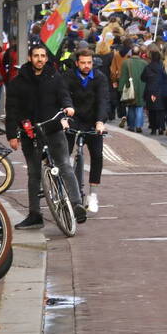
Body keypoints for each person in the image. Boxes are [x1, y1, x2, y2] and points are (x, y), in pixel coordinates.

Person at [6, 45, 86, 228]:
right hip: (30, 132)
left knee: (64, 165)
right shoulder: (18, 82)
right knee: (33, 174)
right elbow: (11, 109)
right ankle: (35, 215)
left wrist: (68, 107)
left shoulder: (55, 77)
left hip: (52, 128)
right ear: (30, 58)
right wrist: (12, 135)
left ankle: (76, 205)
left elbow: (64, 95)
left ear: (47, 58)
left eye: (43, 56)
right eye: (36, 56)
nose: (40, 59)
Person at [62, 48, 108, 214]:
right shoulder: (68, 77)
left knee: (97, 155)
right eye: (83, 63)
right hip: (73, 120)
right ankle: (64, 190)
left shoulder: (100, 78)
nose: (86, 66)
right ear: (77, 63)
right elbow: (63, 96)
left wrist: (100, 122)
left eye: (89, 63)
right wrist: (64, 117)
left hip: (92, 122)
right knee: (64, 155)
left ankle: (93, 195)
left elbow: (103, 100)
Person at [118, 47, 147, 134]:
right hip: (142, 87)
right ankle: (138, 126)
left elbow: (123, 77)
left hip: (130, 87)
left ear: (131, 53)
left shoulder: (126, 62)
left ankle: (131, 126)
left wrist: (120, 89)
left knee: (131, 107)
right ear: (139, 53)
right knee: (140, 107)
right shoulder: (144, 63)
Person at [141, 49, 167, 135]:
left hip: (150, 90)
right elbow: (166, 78)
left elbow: (142, 78)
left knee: (151, 110)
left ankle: (153, 128)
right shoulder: (163, 67)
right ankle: (161, 127)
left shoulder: (148, 67)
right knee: (161, 110)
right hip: (161, 90)